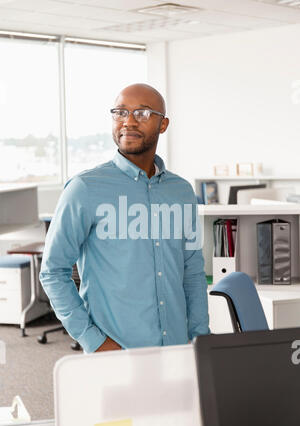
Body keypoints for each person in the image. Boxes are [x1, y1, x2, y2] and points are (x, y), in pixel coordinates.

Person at [39, 83, 209, 353]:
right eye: (120, 112)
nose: (128, 121)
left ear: (163, 125)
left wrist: (201, 335)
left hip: (178, 348)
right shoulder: (85, 188)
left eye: (142, 113)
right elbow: (52, 271)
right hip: (116, 352)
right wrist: (92, 340)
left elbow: (193, 271)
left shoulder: (182, 191)